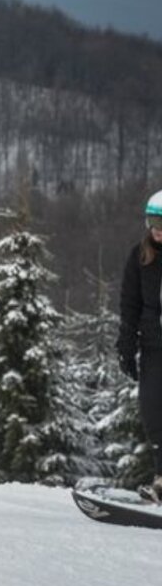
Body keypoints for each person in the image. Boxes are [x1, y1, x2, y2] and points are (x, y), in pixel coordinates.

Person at [118, 189, 162, 500]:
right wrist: (126, 345)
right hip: (153, 346)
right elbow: (129, 303)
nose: (157, 228)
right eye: (152, 221)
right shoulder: (140, 256)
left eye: (161, 221)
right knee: (153, 412)